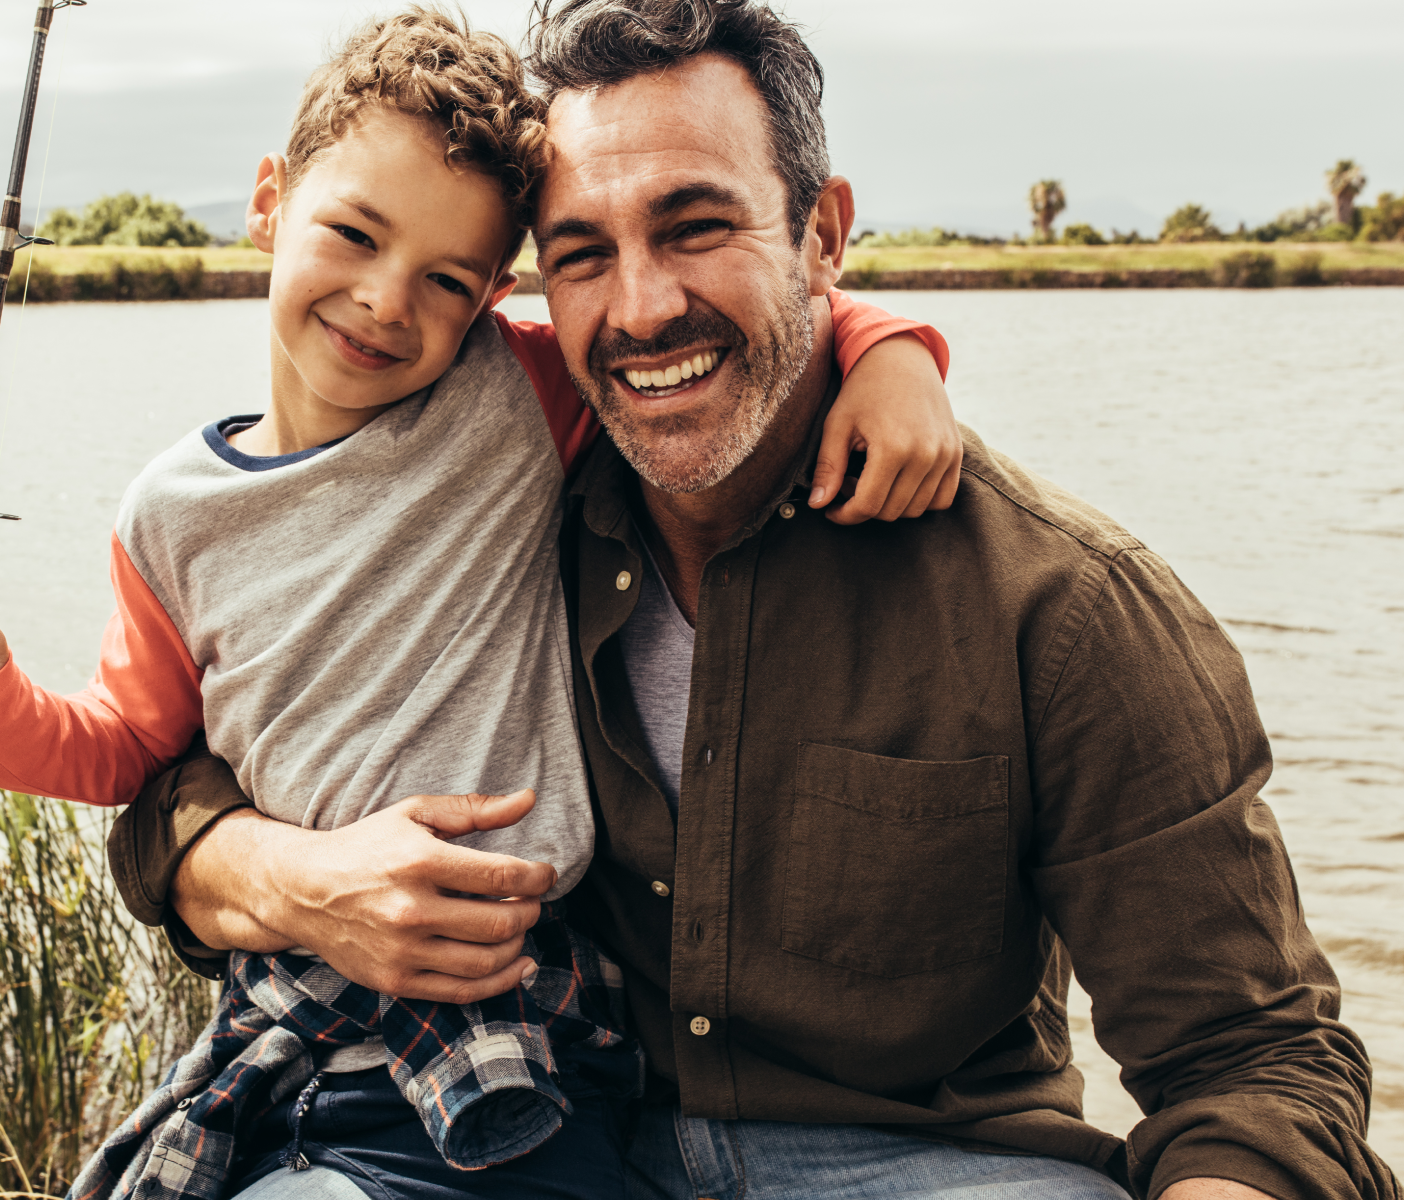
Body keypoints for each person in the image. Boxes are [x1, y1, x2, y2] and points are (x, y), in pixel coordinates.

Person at [116, 2, 1400, 1199]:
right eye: (582, 254)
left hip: (931, 1168)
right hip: (562, 1139)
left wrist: (895, 346)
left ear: (823, 236)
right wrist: (284, 875)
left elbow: (1255, 1061)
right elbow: (164, 792)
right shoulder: (500, 518)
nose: (643, 306)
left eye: (696, 226)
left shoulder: (1062, 609)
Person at [0, 8, 963, 1198]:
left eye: (446, 279)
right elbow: (126, 747)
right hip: (290, 1005)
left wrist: (894, 355)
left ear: (492, 294)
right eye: (353, 233)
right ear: (268, 201)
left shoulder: (516, 394)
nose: (385, 303)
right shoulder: (168, 515)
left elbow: (722, 330)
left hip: (519, 1009)